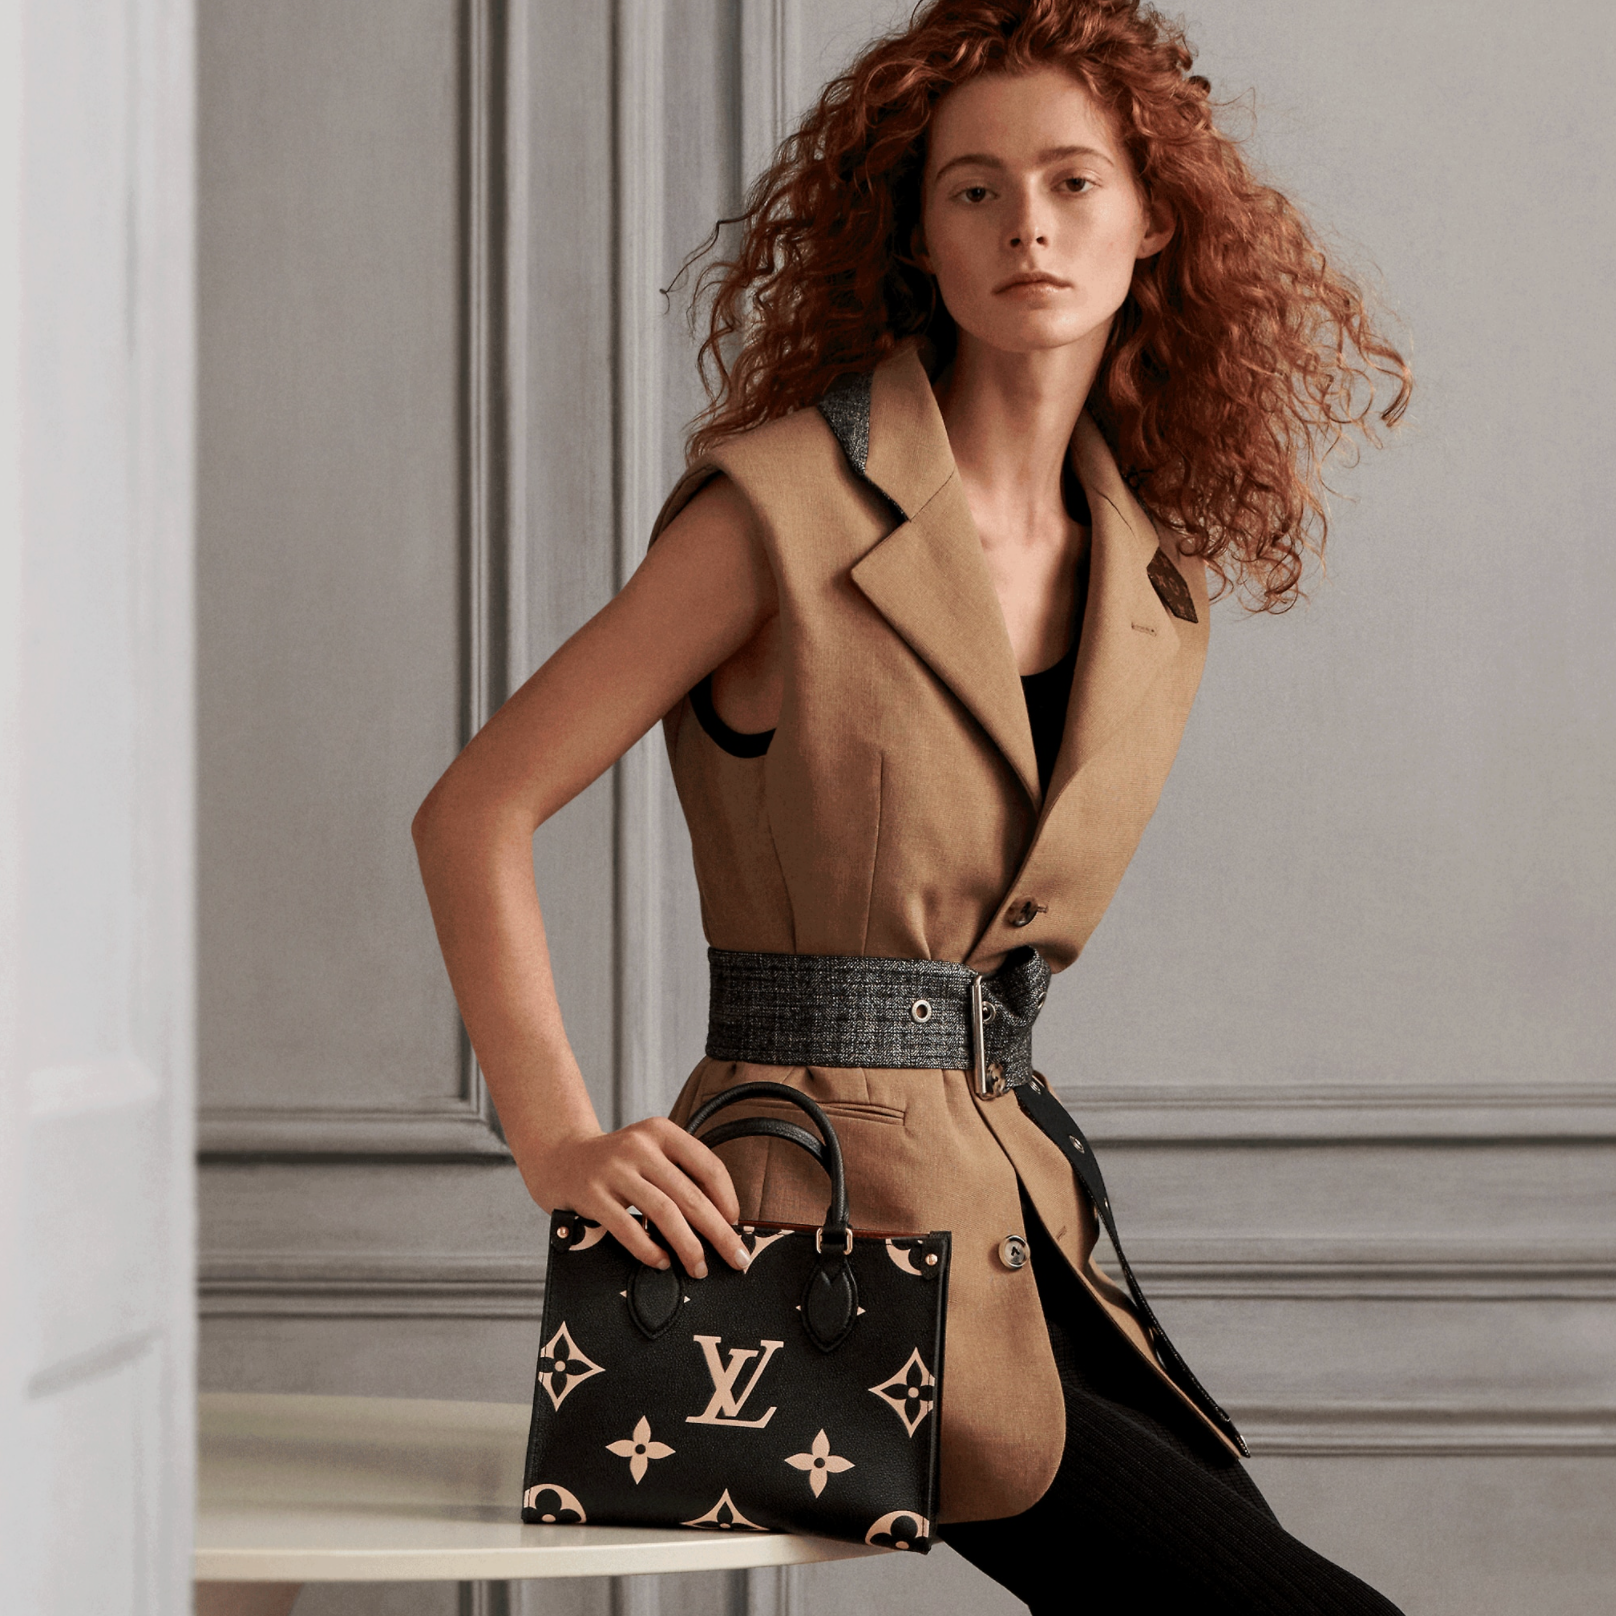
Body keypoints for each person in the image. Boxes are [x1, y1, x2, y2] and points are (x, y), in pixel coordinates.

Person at [412, 1, 1411, 1608]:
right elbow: (475, 809)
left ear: (1154, 219)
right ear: (918, 235)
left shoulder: (1148, 573)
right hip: (815, 1235)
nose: (1029, 226)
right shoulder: (782, 512)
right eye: (974, 189)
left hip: (1019, 1210)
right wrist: (560, 1140)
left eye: (1075, 181)